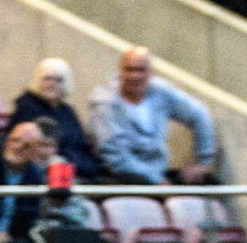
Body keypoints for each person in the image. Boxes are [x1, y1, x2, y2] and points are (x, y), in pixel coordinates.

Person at [93, 46, 220, 185]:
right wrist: (155, 181)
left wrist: (203, 162)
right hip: (122, 176)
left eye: (141, 70)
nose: (135, 76)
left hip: (160, 174)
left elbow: (199, 114)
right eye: (129, 69)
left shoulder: (160, 91)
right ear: (121, 71)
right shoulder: (105, 102)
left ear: (151, 72)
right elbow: (116, 159)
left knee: (210, 183)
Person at [6, 58, 105, 182]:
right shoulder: (26, 107)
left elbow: (81, 144)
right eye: (47, 78)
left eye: (58, 80)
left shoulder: (67, 111)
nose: (51, 84)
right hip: (50, 173)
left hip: (80, 167)